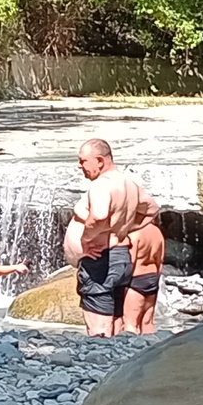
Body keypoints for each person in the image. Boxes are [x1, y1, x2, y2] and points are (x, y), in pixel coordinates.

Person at [63, 138, 160, 337]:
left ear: (99, 161)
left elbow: (98, 215)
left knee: (98, 330)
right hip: (122, 257)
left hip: (101, 260)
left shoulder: (101, 184)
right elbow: (152, 210)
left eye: (83, 161)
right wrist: (124, 229)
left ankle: (98, 362)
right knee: (115, 322)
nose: (79, 166)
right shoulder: (128, 183)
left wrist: (86, 240)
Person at [123, 221, 165, 335]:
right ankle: (152, 350)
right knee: (147, 322)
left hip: (136, 280)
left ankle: (130, 350)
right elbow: (160, 260)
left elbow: (130, 263)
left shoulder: (135, 234)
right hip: (152, 278)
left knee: (131, 322)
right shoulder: (157, 232)